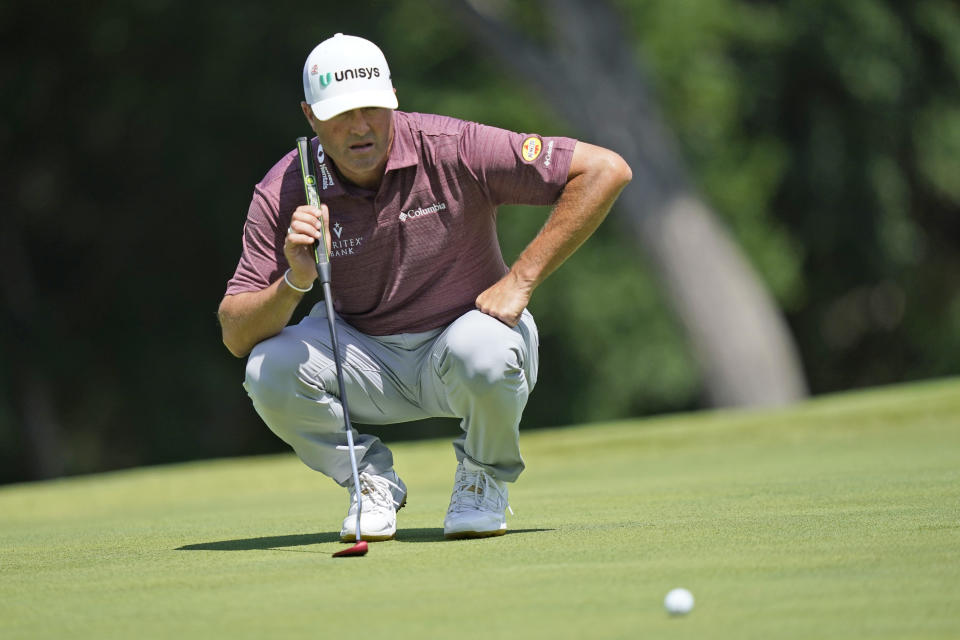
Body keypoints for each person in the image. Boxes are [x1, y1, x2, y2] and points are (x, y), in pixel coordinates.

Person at [218, 33, 631, 543]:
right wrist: (294, 280)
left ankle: (483, 478)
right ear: (309, 115)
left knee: (487, 350)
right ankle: (368, 480)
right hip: (362, 361)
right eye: (340, 113)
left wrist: (520, 280)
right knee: (267, 369)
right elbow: (237, 334)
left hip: (462, 345)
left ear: (392, 98)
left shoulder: (452, 148)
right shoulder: (286, 186)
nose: (359, 127)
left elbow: (605, 170)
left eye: (371, 108)